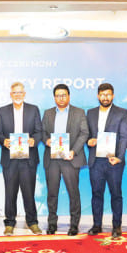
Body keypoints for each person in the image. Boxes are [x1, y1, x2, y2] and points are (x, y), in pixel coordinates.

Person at [0, 82, 44, 235]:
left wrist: (34, 140)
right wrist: (3, 141)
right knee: (10, 193)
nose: (17, 95)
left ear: (24, 94)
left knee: (29, 192)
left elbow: (39, 131)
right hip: (9, 159)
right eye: (15, 92)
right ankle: (9, 223)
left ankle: (32, 222)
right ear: (11, 94)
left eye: (20, 92)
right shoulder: (2, 111)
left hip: (28, 158)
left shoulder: (33, 109)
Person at [41, 84, 89, 235]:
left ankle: (74, 225)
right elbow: (42, 132)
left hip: (70, 159)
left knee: (73, 193)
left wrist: (73, 151)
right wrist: (46, 140)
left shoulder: (79, 112)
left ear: (68, 96)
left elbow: (84, 133)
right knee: (52, 193)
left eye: (63, 95)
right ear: (54, 97)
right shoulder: (48, 113)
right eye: (57, 96)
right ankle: (52, 224)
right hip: (53, 159)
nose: (61, 98)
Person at [85, 83, 127, 239]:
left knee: (116, 194)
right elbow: (87, 134)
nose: (105, 97)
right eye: (102, 95)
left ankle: (116, 226)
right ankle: (97, 225)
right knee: (96, 193)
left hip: (113, 161)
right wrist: (89, 141)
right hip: (96, 161)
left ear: (113, 95)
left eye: (108, 94)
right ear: (98, 96)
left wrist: (119, 157)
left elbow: (124, 137)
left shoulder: (122, 112)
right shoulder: (90, 113)